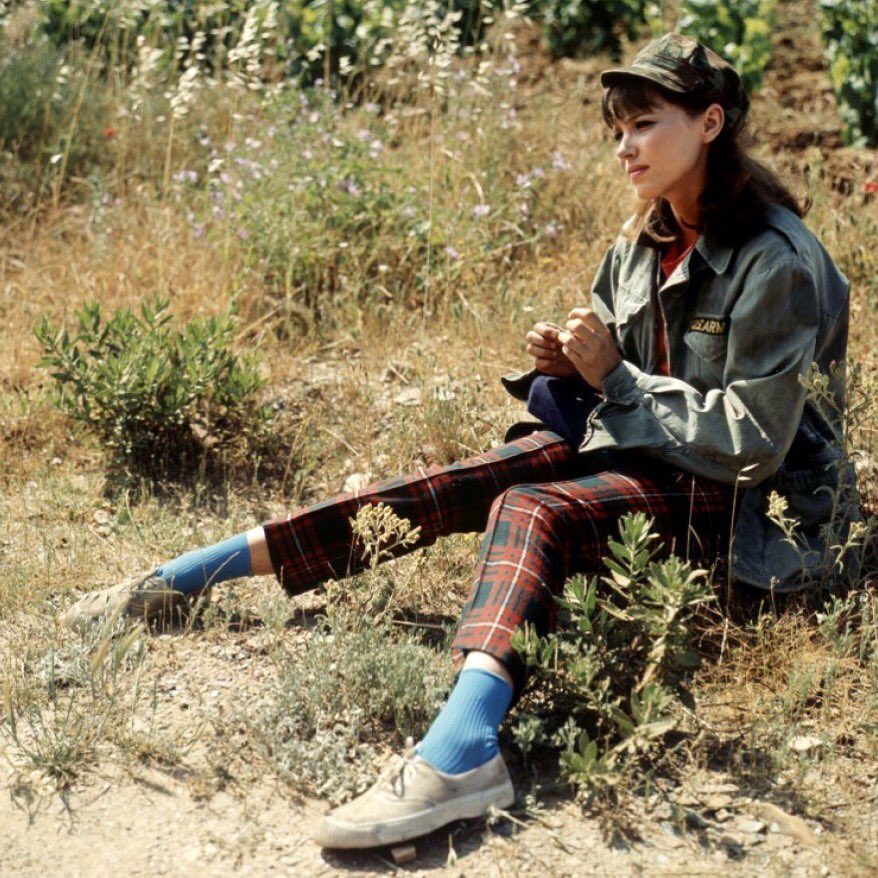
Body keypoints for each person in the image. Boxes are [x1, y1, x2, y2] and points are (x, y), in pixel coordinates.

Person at [61, 33, 853, 850]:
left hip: (758, 511)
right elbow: (627, 374)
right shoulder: (645, 240)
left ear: (711, 123)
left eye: (645, 124)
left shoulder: (776, 259)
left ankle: (463, 752)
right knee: (470, 478)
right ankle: (180, 579)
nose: (624, 147)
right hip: (661, 454)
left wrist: (614, 379)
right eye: (616, 129)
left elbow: (753, 440)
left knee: (532, 510)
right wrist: (568, 366)